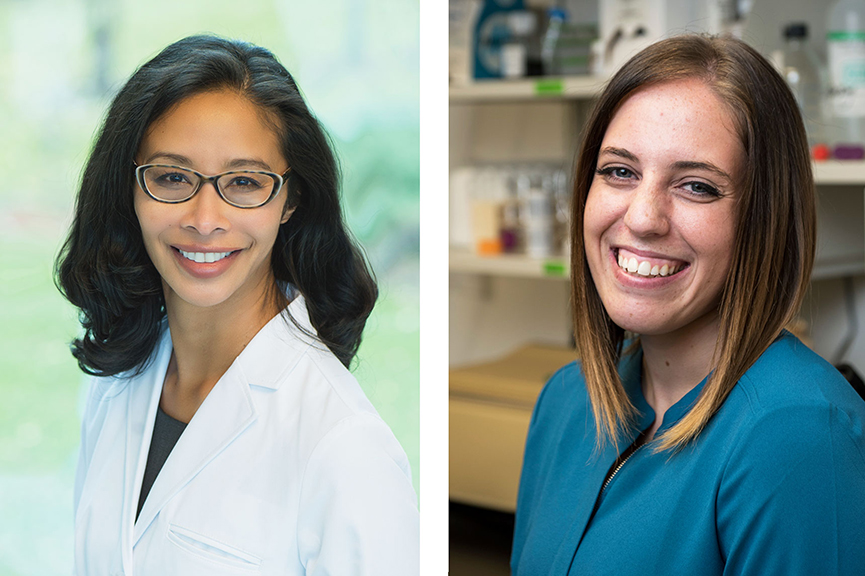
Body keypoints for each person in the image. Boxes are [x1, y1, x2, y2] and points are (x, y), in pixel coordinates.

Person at [55, 35, 418, 575]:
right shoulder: (113, 385)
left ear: (292, 199)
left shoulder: (344, 446)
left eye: (245, 182)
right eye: (172, 177)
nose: (204, 219)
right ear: (129, 188)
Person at [511, 34, 865, 575]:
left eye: (697, 186)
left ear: (763, 218)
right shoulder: (567, 402)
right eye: (620, 171)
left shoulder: (801, 436)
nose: (643, 217)